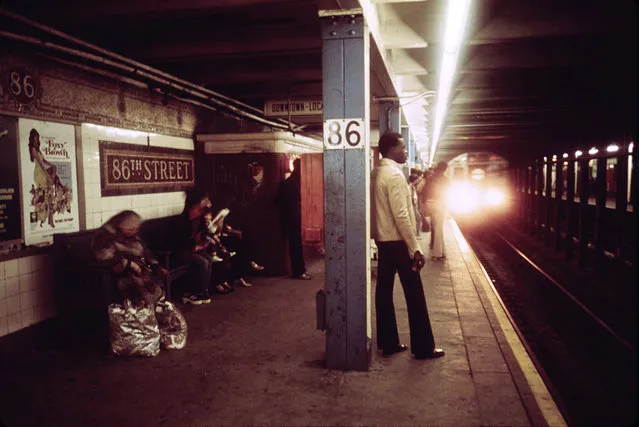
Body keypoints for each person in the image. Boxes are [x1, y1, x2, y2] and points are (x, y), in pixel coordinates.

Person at [371, 131, 444, 360]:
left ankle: (389, 342)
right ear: (392, 149)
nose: (405, 152)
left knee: (383, 292)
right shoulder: (394, 175)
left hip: (383, 242)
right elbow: (401, 215)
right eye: (402, 147)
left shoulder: (377, 173)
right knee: (415, 294)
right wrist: (415, 248)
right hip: (399, 244)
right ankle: (423, 348)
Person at [91, 210, 167, 307]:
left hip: (139, 272)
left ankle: (151, 312)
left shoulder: (131, 236)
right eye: (131, 229)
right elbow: (104, 257)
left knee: (154, 289)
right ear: (121, 225)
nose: (134, 232)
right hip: (117, 274)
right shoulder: (105, 236)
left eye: (135, 229)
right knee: (138, 289)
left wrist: (155, 266)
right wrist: (130, 264)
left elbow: (145, 252)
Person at [276, 158, 311, 280]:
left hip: (288, 218)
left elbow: (278, 202)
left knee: (293, 245)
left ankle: (296, 270)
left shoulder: (285, 183)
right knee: (296, 245)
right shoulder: (300, 182)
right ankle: (298, 271)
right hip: (296, 218)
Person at [177, 190, 214, 305]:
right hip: (182, 250)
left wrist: (207, 238)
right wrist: (194, 246)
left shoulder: (201, 216)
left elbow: (204, 232)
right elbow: (179, 240)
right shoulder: (183, 219)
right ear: (197, 202)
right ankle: (197, 292)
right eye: (204, 199)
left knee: (209, 259)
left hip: (195, 249)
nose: (207, 201)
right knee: (203, 262)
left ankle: (203, 291)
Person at [429, 161, 450, 261]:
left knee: (437, 228)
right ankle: (437, 254)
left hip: (432, 203)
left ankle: (441, 252)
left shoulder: (432, 177)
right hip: (440, 204)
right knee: (438, 228)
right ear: (445, 169)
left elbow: (427, 190)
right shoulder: (445, 179)